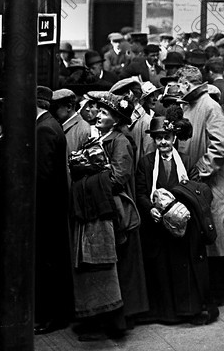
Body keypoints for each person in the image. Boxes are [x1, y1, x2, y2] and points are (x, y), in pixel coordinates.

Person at [69, 92, 148, 341]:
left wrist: (87, 174)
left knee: (114, 265)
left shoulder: (120, 141)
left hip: (113, 211)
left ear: (114, 120)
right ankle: (101, 317)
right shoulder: (100, 138)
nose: (97, 115)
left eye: (104, 113)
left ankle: (114, 321)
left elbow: (118, 177)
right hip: (99, 208)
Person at [135, 115, 216, 325]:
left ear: (174, 138)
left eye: (167, 137)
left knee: (183, 268)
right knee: (161, 268)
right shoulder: (145, 163)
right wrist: (150, 208)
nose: (163, 142)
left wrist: (182, 209)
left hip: (183, 225)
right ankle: (165, 313)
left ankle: (187, 311)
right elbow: (141, 192)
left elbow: (197, 190)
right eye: (159, 138)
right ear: (153, 139)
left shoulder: (187, 161)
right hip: (157, 225)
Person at [176, 65, 224, 306]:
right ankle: (209, 291)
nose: (178, 88)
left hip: (210, 183)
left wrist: (200, 169)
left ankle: (219, 292)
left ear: (189, 84)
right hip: (196, 184)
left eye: (181, 84)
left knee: (216, 236)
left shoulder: (209, 106)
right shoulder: (190, 104)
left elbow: (223, 145)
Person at [33, 86, 74, 335]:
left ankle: (51, 316)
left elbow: (43, 176)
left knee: (48, 263)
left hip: (46, 210)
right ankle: (55, 314)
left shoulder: (44, 129)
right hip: (54, 207)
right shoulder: (51, 124)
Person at [51, 88, 92, 155]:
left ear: (69, 107)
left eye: (55, 108)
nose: (52, 112)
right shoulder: (59, 125)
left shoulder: (82, 128)